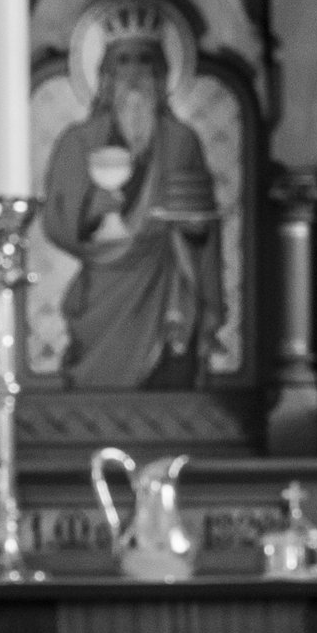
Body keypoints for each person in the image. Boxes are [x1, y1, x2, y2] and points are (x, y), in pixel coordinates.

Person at [39, 37, 224, 390]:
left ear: (161, 75)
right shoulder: (78, 141)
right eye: (123, 61)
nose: (135, 73)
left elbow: (203, 221)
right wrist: (91, 212)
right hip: (103, 286)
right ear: (106, 77)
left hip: (166, 281)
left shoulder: (182, 140)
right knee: (94, 385)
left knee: (171, 381)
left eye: (145, 61)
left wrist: (193, 228)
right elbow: (58, 218)